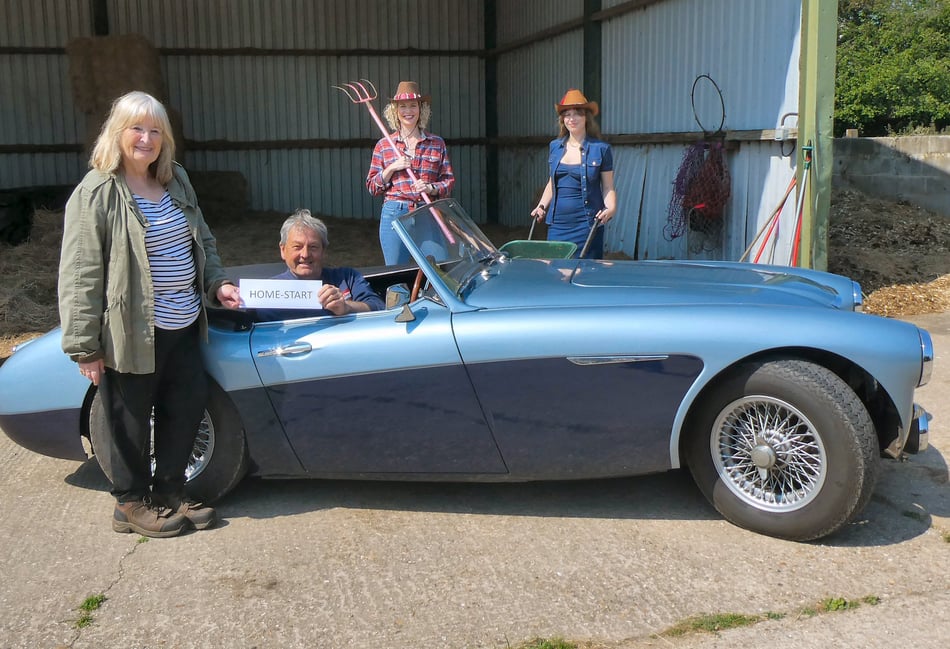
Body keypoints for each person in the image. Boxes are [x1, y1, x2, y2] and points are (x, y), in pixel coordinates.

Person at [58, 91, 242, 538]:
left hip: (183, 322)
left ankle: (169, 491)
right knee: (129, 418)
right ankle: (129, 503)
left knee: (183, 408)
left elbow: (205, 241)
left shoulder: (174, 179)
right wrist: (84, 345)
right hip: (132, 329)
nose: (147, 138)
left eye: (155, 131)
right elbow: (80, 272)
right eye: (137, 129)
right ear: (117, 134)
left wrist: (218, 283)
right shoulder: (98, 192)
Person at [366, 80, 455, 265]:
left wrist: (430, 188)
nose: (408, 111)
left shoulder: (436, 143)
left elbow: (448, 181)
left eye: (413, 106)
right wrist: (392, 168)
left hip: (426, 211)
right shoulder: (384, 145)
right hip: (395, 213)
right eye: (403, 106)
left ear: (421, 109)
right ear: (395, 111)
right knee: (396, 275)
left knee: (440, 269)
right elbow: (372, 187)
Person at [530, 89, 617, 259]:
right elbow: (551, 183)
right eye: (567, 114)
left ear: (586, 118)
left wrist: (611, 208)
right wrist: (541, 206)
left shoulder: (601, 149)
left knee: (586, 275)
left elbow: (608, 187)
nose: (572, 118)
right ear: (562, 119)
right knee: (557, 275)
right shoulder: (555, 147)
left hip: (587, 226)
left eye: (577, 114)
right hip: (557, 225)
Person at [255, 209, 385, 321]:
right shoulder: (269, 291)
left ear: (324, 251)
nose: (305, 254)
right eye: (297, 247)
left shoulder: (346, 277)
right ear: (283, 250)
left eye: (313, 247)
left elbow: (378, 306)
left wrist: (346, 307)